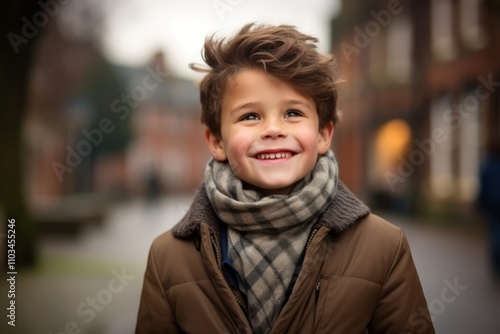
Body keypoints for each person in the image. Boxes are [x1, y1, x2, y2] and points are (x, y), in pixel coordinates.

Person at [135, 23, 434, 334]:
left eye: (293, 113)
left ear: (322, 134)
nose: (273, 129)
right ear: (217, 142)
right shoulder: (168, 258)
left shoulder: (383, 248)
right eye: (250, 116)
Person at [477, 142, 500, 279]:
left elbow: (483, 187)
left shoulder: (487, 166)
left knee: (495, 235)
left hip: (493, 207)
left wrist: (481, 206)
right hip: (494, 206)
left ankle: (496, 264)